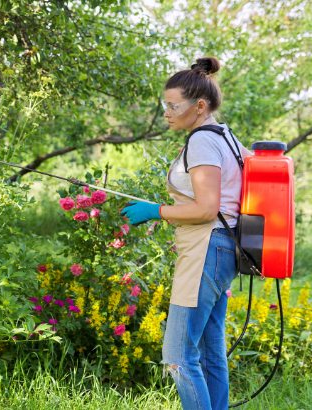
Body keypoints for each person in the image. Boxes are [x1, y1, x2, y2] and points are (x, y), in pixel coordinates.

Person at [120, 56, 253, 410]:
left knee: (177, 356)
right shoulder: (226, 136)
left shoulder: (202, 141)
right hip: (222, 250)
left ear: (199, 106)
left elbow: (208, 209)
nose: (166, 111)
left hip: (206, 249)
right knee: (210, 351)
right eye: (164, 104)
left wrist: (156, 211)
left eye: (172, 105)